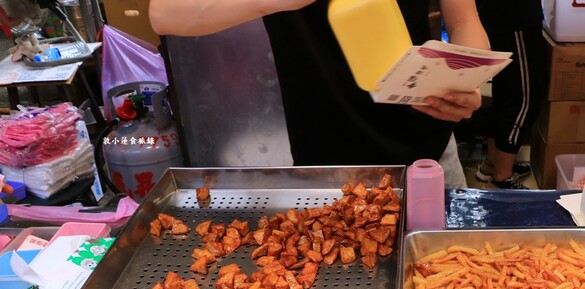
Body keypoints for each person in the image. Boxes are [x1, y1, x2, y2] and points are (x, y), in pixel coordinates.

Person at [148, 0, 489, 186]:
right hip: (327, 162)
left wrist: (467, 80)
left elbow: (464, 20)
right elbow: (165, 13)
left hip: (427, 150)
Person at [474, 0, 547, 190]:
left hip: (504, 15)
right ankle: (502, 177)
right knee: (526, 97)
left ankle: (492, 163)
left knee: (506, 89)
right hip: (515, 15)